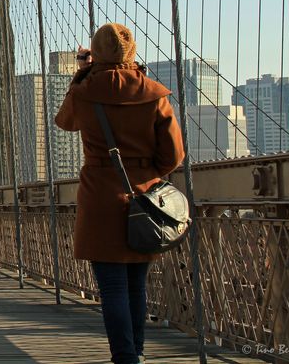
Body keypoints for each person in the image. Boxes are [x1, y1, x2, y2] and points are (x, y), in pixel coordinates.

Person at [55, 23, 185, 364]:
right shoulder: (155, 94)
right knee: (136, 286)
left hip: (99, 196)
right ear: (132, 52)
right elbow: (173, 156)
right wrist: (145, 174)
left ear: (95, 53)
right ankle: (137, 352)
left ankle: (125, 356)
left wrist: (82, 75)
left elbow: (65, 122)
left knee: (112, 287)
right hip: (143, 198)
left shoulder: (85, 91)